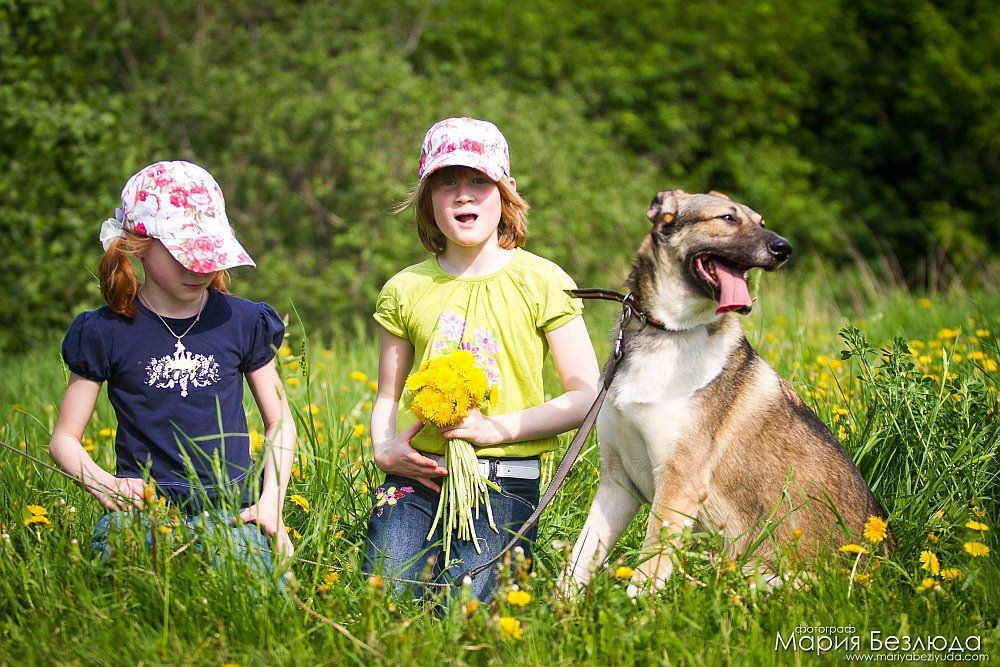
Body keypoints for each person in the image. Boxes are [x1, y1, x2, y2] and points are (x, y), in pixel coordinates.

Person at [365, 118, 600, 600]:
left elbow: (586, 396)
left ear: (506, 192)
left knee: (469, 610)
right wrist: (382, 448)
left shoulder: (544, 281)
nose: (463, 195)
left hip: (506, 480)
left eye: (478, 180)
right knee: (383, 596)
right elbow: (388, 393)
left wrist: (496, 429)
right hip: (416, 473)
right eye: (446, 182)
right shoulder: (405, 289)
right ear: (428, 199)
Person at [49, 160, 296, 570]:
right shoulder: (105, 330)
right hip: (144, 509)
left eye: (206, 253)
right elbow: (64, 440)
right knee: (127, 587)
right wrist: (104, 484)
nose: (197, 268)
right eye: (182, 254)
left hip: (232, 506)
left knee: (256, 594)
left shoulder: (243, 321)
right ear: (139, 245)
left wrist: (272, 502)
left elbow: (280, 422)